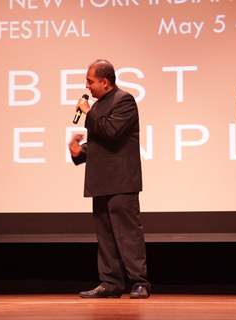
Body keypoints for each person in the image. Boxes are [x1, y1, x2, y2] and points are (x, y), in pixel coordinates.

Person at [69, 59, 150, 299]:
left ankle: (139, 282)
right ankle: (110, 282)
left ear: (105, 82)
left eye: (90, 81)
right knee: (104, 236)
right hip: (101, 181)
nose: (87, 86)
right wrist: (80, 151)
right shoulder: (100, 105)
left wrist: (88, 112)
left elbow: (112, 133)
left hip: (122, 181)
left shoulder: (124, 101)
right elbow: (100, 142)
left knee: (127, 233)